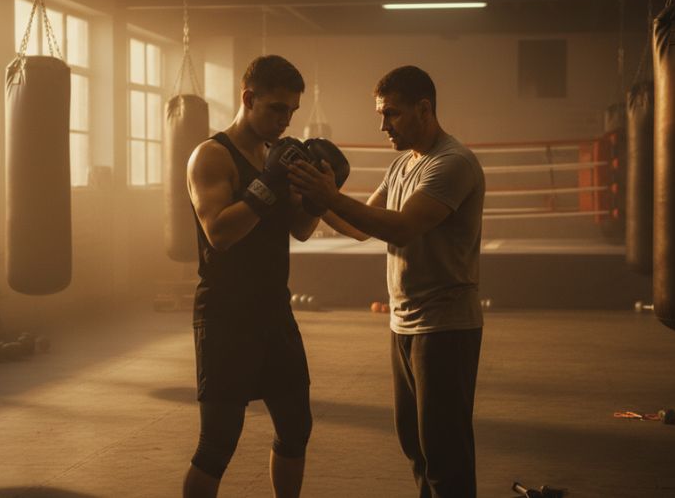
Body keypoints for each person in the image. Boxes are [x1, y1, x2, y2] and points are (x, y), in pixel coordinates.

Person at [289, 65, 486, 498]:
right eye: (381, 114)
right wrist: (311, 194)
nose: (383, 126)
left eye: (392, 114)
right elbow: (360, 226)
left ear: (424, 109)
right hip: (404, 324)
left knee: (444, 453)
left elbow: (402, 228)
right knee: (415, 446)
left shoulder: (452, 163)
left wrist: (330, 196)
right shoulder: (401, 165)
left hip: (445, 327)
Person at [183, 55, 321, 498]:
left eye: (291, 111)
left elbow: (300, 229)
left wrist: (318, 194)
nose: (286, 120)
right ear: (248, 98)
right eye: (277, 108)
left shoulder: (274, 156)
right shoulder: (211, 155)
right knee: (217, 444)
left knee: (297, 427)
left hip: (274, 309)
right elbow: (219, 233)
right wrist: (267, 185)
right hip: (225, 314)